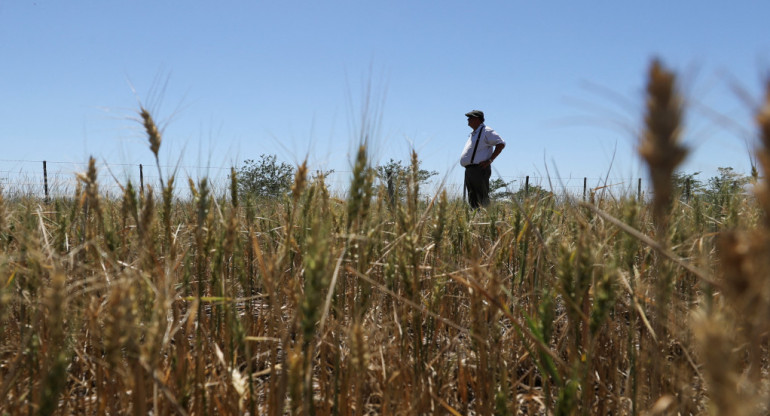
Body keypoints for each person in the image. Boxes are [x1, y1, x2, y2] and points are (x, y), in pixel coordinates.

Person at [459, 110, 506, 208]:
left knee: (481, 197)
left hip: (479, 169)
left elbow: (501, 143)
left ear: (477, 119)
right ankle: (475, 219)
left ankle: (485, 219)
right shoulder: (474, 133)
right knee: (472, 197)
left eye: (470, 118)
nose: (468, 120)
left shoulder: (486, 131)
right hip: (470, 169)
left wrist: (490, 160)